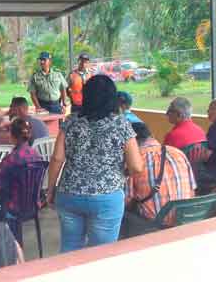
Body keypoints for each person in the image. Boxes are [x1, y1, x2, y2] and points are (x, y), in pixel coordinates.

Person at [46, 75, 143, 252]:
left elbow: (57, 158)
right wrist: (121, 172)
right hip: (107, 196)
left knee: (70, 249)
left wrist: (50, 189)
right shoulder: (121, 124)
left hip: (69, 193)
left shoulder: (71, 121)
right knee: (101, 254)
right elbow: (136, 166)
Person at [122, 122, 196, 237]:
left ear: (130, 143)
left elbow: (126, 200)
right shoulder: (178, 153)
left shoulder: (135, 161)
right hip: (186, 218)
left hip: (155, 223)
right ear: (151, 135)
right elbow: (192, 190)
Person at [0, 118, 43, 219]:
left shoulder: (12, 158)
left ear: (13, 136)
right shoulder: (37, 155)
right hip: (33, 206)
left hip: (13, 208)